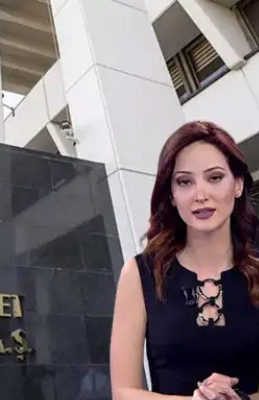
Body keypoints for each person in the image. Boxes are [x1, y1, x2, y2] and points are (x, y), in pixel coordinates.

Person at [110, 120, 259, 400]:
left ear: (238, 184)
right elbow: (123, 392)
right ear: (172, 194)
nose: (200, 195)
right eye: (185, 182)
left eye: (214, 178)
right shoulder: (140, 274)